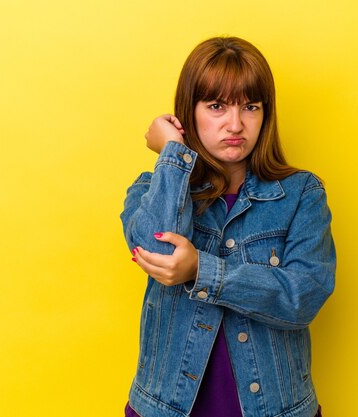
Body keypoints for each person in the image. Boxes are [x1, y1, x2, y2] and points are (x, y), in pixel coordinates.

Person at [120, 36, 336, 417]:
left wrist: (202, 270)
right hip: (166, 407)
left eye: (250, 107)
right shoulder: (153, 188)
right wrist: (173, 154)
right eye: (216, 106)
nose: (235, 124)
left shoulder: (301, 193)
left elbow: (303, 297)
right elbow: (160, 254)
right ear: (190, 111)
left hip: (275, 408)